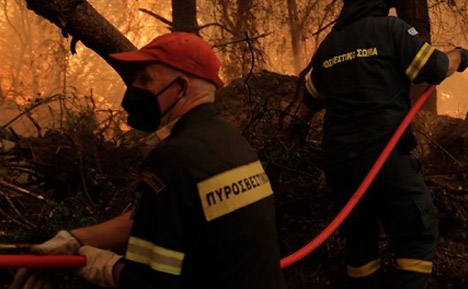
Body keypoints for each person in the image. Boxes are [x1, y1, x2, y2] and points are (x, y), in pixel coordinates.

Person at [11, 32, 285, 289]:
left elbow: (150, 282)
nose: (133, 90)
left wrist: (102, 265)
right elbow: (164, 216)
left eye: (145, 80)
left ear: (180, 87)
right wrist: (75, 240)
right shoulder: (231, 143)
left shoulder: (173, 160)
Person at [296, 0, 468, 289]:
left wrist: (291, 133)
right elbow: (434, 67)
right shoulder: (392, 30)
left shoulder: (329, 46)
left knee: (360, 247)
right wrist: (460, 56)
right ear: (383, 0)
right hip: (385, 158)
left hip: (341, 166)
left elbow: (308, 100)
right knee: (417, 238)